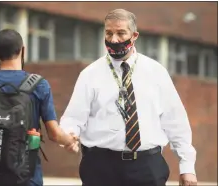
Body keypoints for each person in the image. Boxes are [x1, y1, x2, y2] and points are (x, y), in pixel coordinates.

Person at [60, 9, 197, 186]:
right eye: (109, 33)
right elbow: (73, 117)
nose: (114, 39)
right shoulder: (90, 74)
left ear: (134, 36)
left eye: (120, 33)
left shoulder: (156, 72)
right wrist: (69, 136)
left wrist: (187, 167)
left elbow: (176, 121)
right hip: (100, 168)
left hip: (147, 167)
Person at [0, 29, 77, 186]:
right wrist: (69, 140)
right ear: (23, 50)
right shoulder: (39, 86)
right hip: (27, 180)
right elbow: (54, 134)